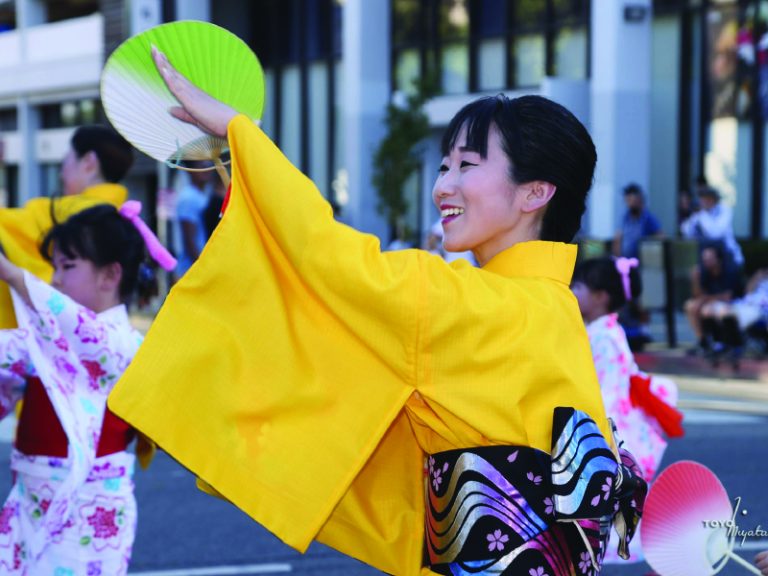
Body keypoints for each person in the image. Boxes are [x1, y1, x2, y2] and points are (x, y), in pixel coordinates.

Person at [109, 46, 646, 576]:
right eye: (443, 166)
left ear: (535, 193)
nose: (443, 187)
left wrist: (240, 134)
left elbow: (318, 251)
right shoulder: (557, 309)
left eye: (467, 165)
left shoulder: (455, 299)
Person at [0, 202, 175, 574]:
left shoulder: (123, 343)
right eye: (55, 267)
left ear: (110, 275)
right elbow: (9, 351)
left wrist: (14, 276)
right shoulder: (47, 337)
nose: (56, 279)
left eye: (68, 266)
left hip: (91, 509)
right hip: (29, 502)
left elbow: (86, 336)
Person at [571, 256, 683, 564]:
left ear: (600, 296)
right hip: (614, 418)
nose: (572, 290)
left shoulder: (603, 337)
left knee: (603, 489)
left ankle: (608, 546)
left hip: (608, 422)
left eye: (579, 285)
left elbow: (603, 392)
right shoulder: (605, 331)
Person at [0, 125, 133, 330]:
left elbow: (7, 224)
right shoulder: (122, 219)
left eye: (66, 160)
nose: (62, 171)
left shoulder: (78, 215)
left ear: (89, 161)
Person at [699, 267, 768, 368]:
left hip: (759, 310)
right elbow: (747, 292)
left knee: (727, 314)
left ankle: (732, 346)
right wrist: (757, 277)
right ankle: (719, 344)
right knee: (707, 310)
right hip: (743, 304)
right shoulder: (762, 279)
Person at [684, 243, 744, 356]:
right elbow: (697, 295)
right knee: (691, 306)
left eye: (710, 258)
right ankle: (703, 342)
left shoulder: (729, 271)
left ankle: (724, 343)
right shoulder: (704, 272)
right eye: (704, 259)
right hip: (712, 303)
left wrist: (705, 300)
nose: (706, 261)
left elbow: (728, 296)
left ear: (718, 259)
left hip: (734, 304)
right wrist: (695, 279)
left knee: (709, 310)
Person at [680, 185, 744, 270]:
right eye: (702, 198)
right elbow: (685, 230)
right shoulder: (700, 214)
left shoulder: (725, 210)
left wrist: (702, 215)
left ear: (714, 199)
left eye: (708, 198)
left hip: (729, 257)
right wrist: (695, 216)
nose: (704, 201)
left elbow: (715, 233)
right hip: (708, 261)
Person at [171, 162, 214, 277]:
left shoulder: (203, 195)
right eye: (201, 167)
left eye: (209, 166)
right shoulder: (188, 197)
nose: (206, 170)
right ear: (190, 170)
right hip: (192, 269)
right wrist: (201, 267)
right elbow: (189, 239)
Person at [612, 183, 662, 259]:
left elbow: (660, 236)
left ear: (639, 199)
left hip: (641, 263)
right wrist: (617, 260)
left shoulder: (648, 218)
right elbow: (617, 239)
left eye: (630, 199)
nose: (627, 202)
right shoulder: (624, 217)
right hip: (625, 262)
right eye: (627, 199)